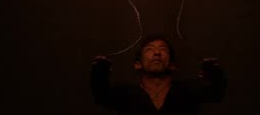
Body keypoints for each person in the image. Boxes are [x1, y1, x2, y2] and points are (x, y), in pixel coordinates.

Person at [91, 35, 226, 114]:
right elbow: (101, 96)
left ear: (172, 65)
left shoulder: (188, 91)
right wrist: (99, 75)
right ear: (138, 64)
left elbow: (215, 93)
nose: (157, 53)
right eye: (149, 49)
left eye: (163, 49)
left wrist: (215, 75)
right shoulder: (125, 93)